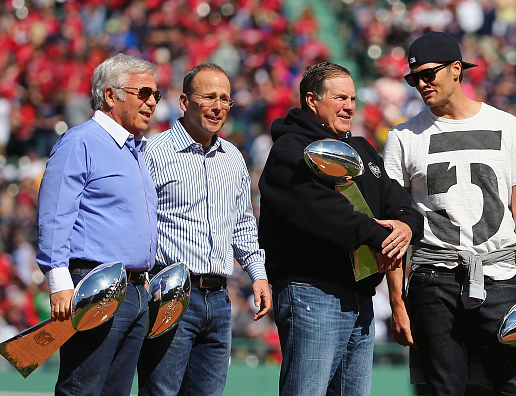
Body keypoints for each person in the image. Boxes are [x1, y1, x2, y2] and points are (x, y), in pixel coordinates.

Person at [383, 31, 516, 395]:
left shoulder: (508, 127)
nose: (422, 83)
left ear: (457, 69)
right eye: (414, 77)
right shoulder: (402, 137)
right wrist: (397, 302)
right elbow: (395, 229)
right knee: (445, 390)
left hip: (497, 277)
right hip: (433, 279)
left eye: (429, 73)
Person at [258, 62, 424, 395]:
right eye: (339, 98)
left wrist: (406, 227)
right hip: (312, 292)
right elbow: (329, 215)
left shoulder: (362, 150)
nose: (349, 106)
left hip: (360, 298)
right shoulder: (289, 152)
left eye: (352, 98)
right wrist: (385, 239)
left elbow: (402, 205)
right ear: (312, 100)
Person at [136, 63, 272, 396]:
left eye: (225, 99)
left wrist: (258, 274)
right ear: (184, 102)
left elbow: (242, 225)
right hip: (170, 293)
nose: (218, 106)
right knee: (160, 392)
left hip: (220, 300)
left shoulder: (233, 158)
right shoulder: (153, 152)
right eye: (208, 97)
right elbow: (139, 223)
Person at [35, 53, 160, 395]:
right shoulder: (81, 141)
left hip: (134, 290)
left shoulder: (134, 151)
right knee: (83, 388)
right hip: (93, 284)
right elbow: (55, 213)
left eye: (155, 95)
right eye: (143, 93)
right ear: (110, 95)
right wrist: (59, 280)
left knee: (114, 391)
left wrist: (143, 278)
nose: (151, 103)